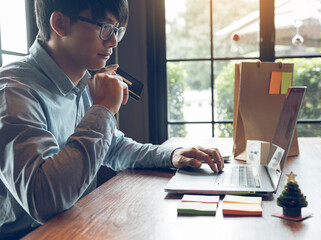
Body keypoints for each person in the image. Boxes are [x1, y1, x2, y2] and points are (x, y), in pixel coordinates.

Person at [0, 0, 224, 238]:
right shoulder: (13, 92)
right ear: (60, 24)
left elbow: (114, 147)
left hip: (76, 226)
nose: (113, 41)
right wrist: (104, 108)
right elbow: (44, 200)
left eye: (118, 30)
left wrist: (171, 155)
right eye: (105, 27)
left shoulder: (83, 84)